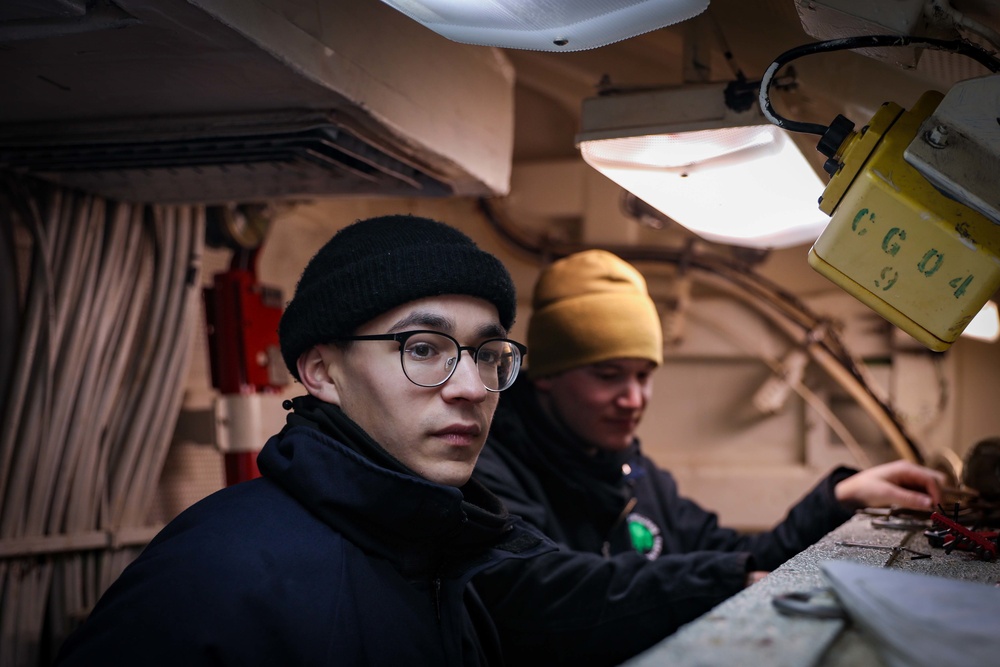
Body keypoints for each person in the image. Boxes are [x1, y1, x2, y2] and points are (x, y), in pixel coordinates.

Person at [55, 215, 552, 666]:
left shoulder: (446, 560)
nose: (470, 387)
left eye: (488, 354)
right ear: (322, 373)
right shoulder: (216, 574)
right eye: (422, 348)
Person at [471, 249, 946, 666]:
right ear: (549, 375)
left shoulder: (636, 476)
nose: (634, 398)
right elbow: (542, 592)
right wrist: (716, 580)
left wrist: (837, 498)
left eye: (644, 375)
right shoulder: (489, 473)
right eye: (609, 374)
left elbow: (739, 558)